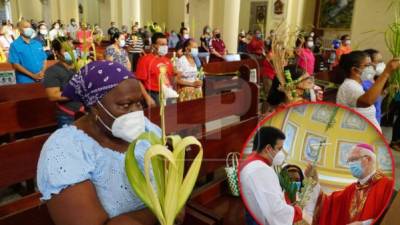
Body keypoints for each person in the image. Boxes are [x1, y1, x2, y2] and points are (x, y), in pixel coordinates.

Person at [37, 61, 163, 225]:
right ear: (95, 107)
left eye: (139, 103)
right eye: (125, 105)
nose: (136, 112)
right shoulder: (65, 150)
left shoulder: (147, 129)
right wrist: (162, 210)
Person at [305, 143, 394, 225]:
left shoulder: (387, 185)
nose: (351, 164)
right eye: (349, 161)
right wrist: (314, 183)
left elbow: (392, 215)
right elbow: (327, 204)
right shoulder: (350, 190)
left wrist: (364, 224)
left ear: (368, 159)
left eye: (354, 159)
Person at [239, 126, 303, 225]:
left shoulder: (250, 163)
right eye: (279, 148)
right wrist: (297, 212)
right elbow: (275, 210)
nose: (281, 153)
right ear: (268, 148)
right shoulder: (261, 169)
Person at [336, 51, 400, 131]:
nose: (373, 67)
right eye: (368, 65)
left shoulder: (358, 84)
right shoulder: (349, 86)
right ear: (354, 70)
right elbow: (367, 101)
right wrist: (386, 73)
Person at [43, 37, 83, 128]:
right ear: (57, 52)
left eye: (73, 49)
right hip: (68, 116)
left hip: (85, 113)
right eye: (66, 50)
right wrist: (77, 93)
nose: (71, 52)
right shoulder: (52, 71)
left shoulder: (80, 66)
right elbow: (53, 95)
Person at [136, 32, 175, 105]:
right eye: (162, 44)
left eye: (166, 44)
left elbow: (171, 78)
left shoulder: (167, 60)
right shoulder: (145, 60)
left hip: (167, 92)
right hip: (153, 94)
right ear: (153, 45)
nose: (165, 46)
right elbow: (139, 81)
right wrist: (147, 97)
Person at [361, 49, 386, 123]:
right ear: (368, 64)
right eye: (379, 62)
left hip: (374, 121)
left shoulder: (372, 81)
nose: (382, 64)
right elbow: (369, 101)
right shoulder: (364, 84)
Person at [261, 44, 275, 113]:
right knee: (268, 95)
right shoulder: (271, 54)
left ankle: (268, 111)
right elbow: (274, 66)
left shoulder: (274, 54)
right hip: (268, 76)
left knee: (270, 95)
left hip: (271, 76)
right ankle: (264, 112)